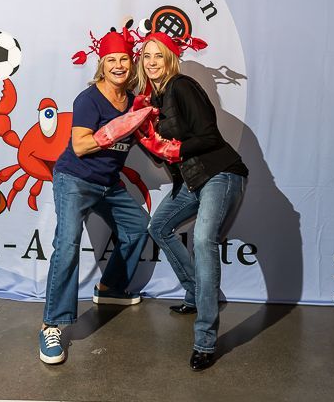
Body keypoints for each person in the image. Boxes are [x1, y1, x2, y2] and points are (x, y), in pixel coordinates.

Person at [39, 29, 154, 365]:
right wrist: (119, 127)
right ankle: (52, 325)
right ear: (102, 65)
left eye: (124, 59)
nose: (118, 66)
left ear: (131, 64)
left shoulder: (133, 101)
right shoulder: (88, 99)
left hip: (108, 184)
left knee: (138, 226)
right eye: (111, 60)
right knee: (67, 243)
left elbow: (150, 141)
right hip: (75, 180)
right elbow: (80, 145)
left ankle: (110, 289)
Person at [135, 31, 248, 371]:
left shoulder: (182, 86)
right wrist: (142, 133)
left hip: (221, 173)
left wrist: (175, 149)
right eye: (147, 56)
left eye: (159, 55)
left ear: (170, 59)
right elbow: (160, 155)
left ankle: (205, 343)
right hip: (193, 180)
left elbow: (209, 136)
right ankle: (196, 292)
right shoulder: (153, 100)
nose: (152, 62)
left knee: (202, 239)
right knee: (158, 226)